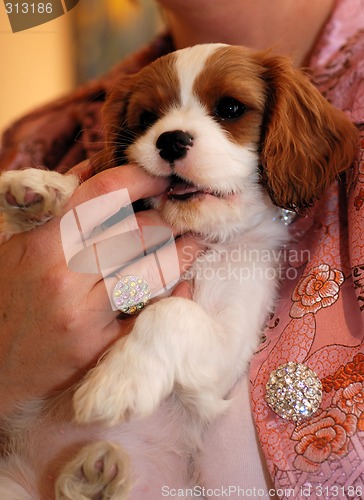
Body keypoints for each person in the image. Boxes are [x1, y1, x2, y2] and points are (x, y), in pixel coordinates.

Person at [0, 0, 363, 496]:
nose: (170, 134)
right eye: (149, 117)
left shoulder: (251, 247)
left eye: (230, 109)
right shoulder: (37, 137)